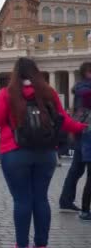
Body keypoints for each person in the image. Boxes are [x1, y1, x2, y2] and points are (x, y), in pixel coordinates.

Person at [0, 57, 86, 248]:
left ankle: (21, 245)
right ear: (37, 72)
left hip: (15, 153)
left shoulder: (7, 93)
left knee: (22, 200)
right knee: (41, 198)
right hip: (45, 153)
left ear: (15, 74)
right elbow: (64, 120)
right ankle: (41, 244)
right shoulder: (48, 92)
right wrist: (82, 126)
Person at [59, 62, 91, 213]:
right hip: (86, 131)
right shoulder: (85, 89)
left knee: (76, 169)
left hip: (81, 131)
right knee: (78, 169)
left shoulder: (80, 88)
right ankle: (68, 201)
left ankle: (66, 200)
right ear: (88, 72)